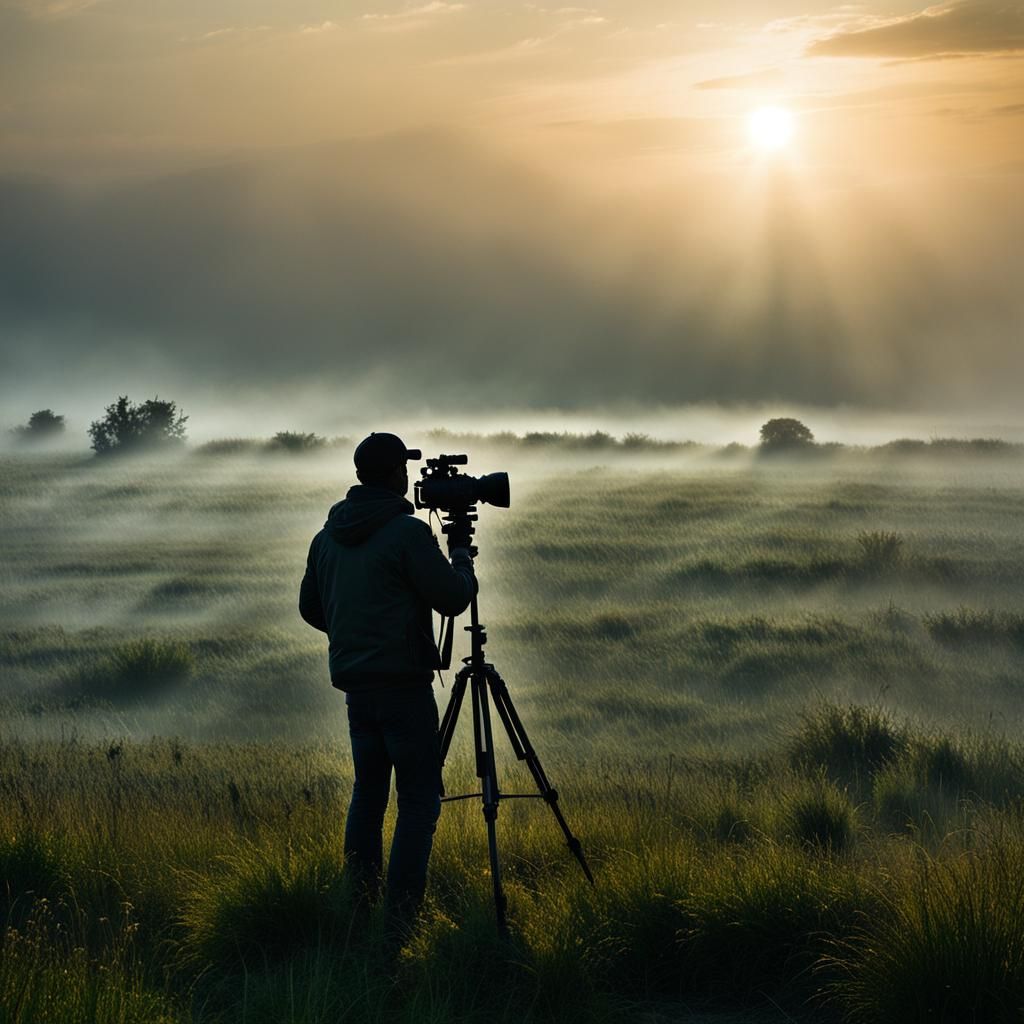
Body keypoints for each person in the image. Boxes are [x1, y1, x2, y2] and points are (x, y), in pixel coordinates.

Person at [298, 432, 476, 933]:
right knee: (419, 800)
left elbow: (311, 608)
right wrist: (462, 560)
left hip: (358, 689)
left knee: (369, 794)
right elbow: (453, 599)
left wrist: (356, 631)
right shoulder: (406, 532)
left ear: (359, 475)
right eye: (404, 468)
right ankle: (401, 921)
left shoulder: (326, 536)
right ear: (397, 474)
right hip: (404, 688)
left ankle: (358, 906)